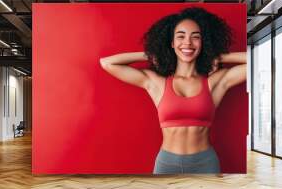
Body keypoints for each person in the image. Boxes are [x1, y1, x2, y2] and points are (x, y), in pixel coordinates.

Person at [100, 7, 246, 174]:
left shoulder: (214, 83)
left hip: (205, 163)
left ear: (203, 43)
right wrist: (150, 55)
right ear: (172, 43)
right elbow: (107, 63)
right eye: (181, 36)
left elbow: (257, 62)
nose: (188, 43)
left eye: (195, 37)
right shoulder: (157, 83)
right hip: (167, 163)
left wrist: (220, 57)